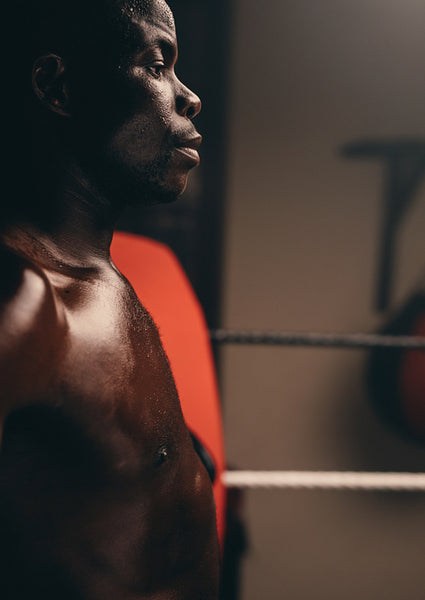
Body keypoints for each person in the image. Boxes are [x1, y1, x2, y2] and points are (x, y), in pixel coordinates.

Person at [0, 0, 220, 598]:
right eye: (156, 65)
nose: (188, 97)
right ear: (59, 87)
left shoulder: (97, 276)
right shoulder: (22, 297)